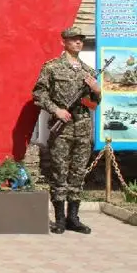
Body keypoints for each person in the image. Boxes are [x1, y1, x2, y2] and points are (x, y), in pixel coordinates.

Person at [32, 26, 100, 235]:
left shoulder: (88, 72)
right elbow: (38, 95)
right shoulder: (52, 68)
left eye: (81, 39)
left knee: (78, 173)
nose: (79, 42)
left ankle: (73, 218)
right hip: (61, 129)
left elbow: (92, 105)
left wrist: (97, 92)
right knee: (59, 172)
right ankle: (60, 219)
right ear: (64, 42)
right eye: (74, 39)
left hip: (82, 128)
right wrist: (57, 110)